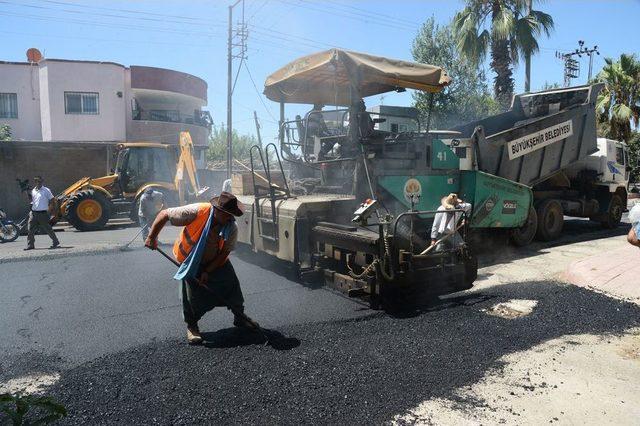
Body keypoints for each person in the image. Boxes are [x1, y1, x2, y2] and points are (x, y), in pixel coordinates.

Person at [145, 192, 259, 345]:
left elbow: (224, 252)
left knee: (232, 285)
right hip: (190, 260)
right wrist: (152, 237)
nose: (230, 218)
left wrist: (208, 271)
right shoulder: (198, 211)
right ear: (217, 210)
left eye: (232, 215)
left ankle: (240, 317)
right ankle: (192, 326)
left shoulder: (231, 227)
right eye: (227, 215)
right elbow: (165, 214)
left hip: (216, 261)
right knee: (192, 296)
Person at [24, 176, 60, 250]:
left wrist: (51, 211)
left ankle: (55, 242)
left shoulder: (46, 190)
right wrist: (27, 192)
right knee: (30, 229)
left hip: (43, 213)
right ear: (35, 182)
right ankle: (30, 245)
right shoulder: (33, 190)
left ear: (42, 181)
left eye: (40, 181)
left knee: (47, 229)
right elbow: (31, 200)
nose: (39, 182)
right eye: (37, 181)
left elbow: (53, 200)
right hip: (34, 213)